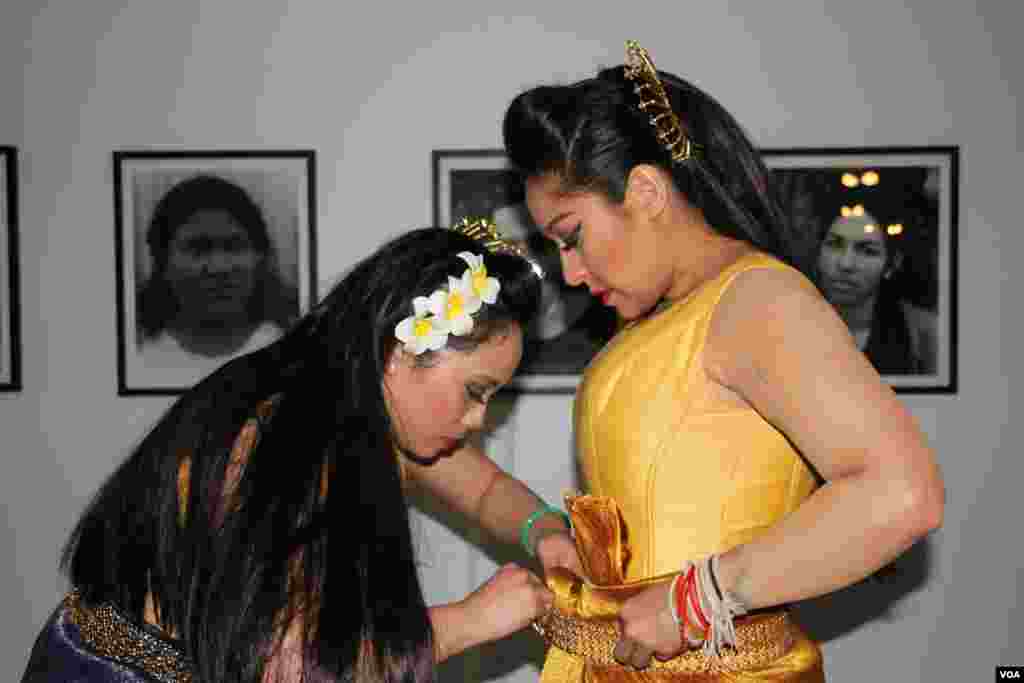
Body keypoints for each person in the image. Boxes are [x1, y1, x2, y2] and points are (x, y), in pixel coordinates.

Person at [502, 41, 944, 682]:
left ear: (647, 191)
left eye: (573, 236)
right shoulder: (660, 320)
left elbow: (903, 494)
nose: (570, 271)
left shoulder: (757, 300)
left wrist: (696, 599)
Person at [22, 224, 585, 682]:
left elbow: (484, 491)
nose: (478, 419)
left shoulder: (356, 400)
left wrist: (546, 533)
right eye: (475, 391)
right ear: (399, 352)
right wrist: (472, 621)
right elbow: (288, 668)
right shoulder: (284, 437)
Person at [135, 174, 298, 377]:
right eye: (197, 248)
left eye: (234, 246)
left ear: (260, 257)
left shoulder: (294, 352)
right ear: (162, 261)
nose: (219, 267)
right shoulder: (140, 354)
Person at [816, 207, 938, 375]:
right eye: (835, 244)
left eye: (867, 251)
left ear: (891, 264)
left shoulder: (926, 336)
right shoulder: (788, 327)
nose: (846, 264)